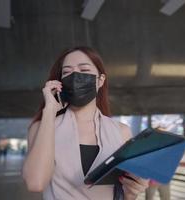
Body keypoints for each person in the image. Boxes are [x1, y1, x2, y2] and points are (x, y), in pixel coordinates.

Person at [22, 46, 149, 200]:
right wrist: (49, 111)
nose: (76, 76)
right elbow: (35, 183)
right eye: (67, 72)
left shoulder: (121, 132)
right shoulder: (42, 128)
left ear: (100, 80)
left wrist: (131, 192)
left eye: (84, 69)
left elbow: (123, 193)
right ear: (60, 82)